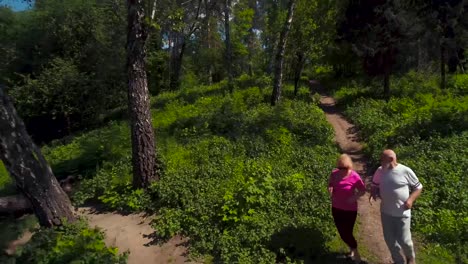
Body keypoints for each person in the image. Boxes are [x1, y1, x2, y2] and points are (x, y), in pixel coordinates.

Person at [371, 149, 423, 264]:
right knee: (390, 241)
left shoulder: (405, 171)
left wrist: (410, 200)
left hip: (402, 213)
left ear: (391, 159)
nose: (380, 162)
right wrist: (373, 192)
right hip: (386, 212)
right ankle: (398, 261)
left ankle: (410, 258)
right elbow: (375, 184)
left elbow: (418, 187)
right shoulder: (380, 170)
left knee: (405, 241)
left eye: (382, 159)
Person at [328, 154, 366, 263]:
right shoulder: (334, 174)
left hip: (350, 209)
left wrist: (354, 197)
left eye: (344, 168)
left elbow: (362, 190)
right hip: (336, 207)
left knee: (347, 232)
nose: (341, 170)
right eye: (340, 167)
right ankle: (352, 250)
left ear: (349, 167)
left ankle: (355, 252)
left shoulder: (354, 176)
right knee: (341, 231)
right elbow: (330, 184)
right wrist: (330, 188)